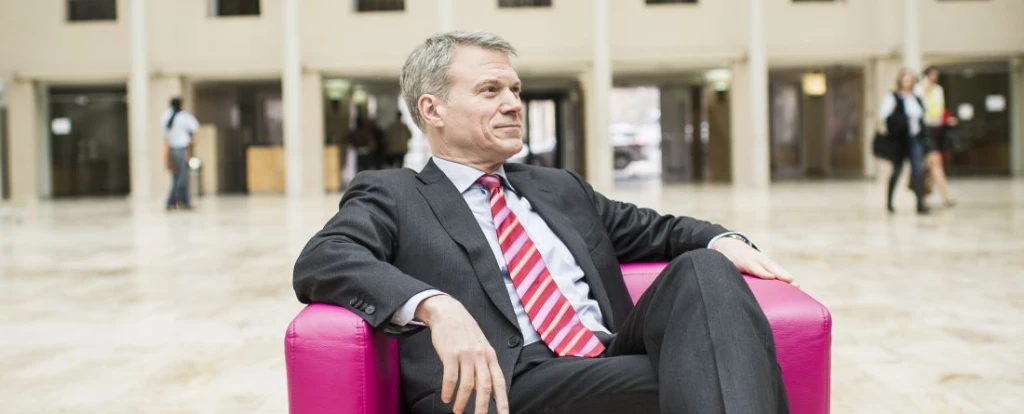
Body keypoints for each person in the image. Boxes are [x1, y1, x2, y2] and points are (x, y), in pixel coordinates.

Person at [294, 31, 794, 414]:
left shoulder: (558, 187)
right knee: (728, 370)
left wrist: (723, 239)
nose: (513, 103)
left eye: (515, 89)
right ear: (433, 109)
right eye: (490, 90)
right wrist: (435, 306)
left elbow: (659, 230)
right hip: (502, 381)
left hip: (606, 356)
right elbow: (325, 257)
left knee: (704, 268)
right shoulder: (394, 194)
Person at [879, 68, 929, 215]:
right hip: (900, 140)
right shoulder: (893, 97)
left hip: (915, 138)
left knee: (917, 170)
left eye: (910, 80)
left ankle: (920, 203)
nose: (908, 82)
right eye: (905, 79)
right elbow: (884, 116)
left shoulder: (916, 97)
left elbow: (922, 115)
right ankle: (889, 202)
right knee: (897, 170)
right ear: (900, 81)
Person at [915, 66, 956, 207]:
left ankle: (926, 197)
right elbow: (919, 107)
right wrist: (924, 88)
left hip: (936, 129)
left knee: (931, 165)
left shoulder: (939, 90)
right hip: (924, 129)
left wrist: (947, 120)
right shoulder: (918, 89)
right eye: (931, 75)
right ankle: (945, 196)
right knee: (935, 163)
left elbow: (940, 109)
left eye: (936, 75)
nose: (934, 78)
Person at [160, 97, 199, 210]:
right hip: (181, 149)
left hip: (171, 148)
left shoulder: (165, 115)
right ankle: (173, 201)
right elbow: (195, 127)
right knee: (181, 177)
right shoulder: (183, 116)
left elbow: (164, 134)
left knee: (177, 176)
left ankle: (182, 202)